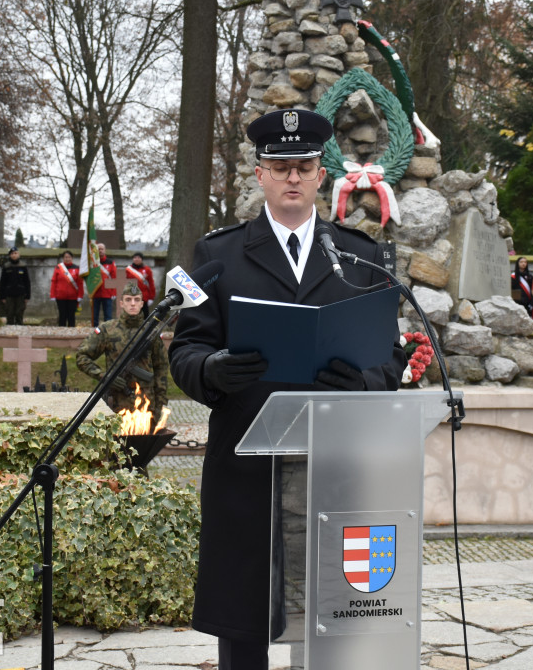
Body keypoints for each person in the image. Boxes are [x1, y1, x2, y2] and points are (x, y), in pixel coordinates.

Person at [168, 108, 406, 670]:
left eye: (303, 166)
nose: (292, 178)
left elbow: (393, 358)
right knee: (246, 618)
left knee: (342, 612)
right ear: (260, 176)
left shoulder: (359, 255)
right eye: (281, 167)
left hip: (339, 462)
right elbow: (185, 351)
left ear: (322, 174)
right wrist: (212, 370)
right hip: (250, 462)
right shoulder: (219, 256)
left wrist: (367, 380)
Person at [76, 282, 168, 420]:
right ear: (121, 303)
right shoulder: (108, 330)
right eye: (128, 300)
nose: (132, 304)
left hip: (145, 404)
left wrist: (160, 405)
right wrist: (104, 377)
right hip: (116, 403)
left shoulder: (151, 332)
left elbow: (161, 368)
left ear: (142, 304)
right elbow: (82, 357)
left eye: (137, 300)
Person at [0, 247, 31, 325]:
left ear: (19, 255)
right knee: (9, 312)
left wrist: (27, 296)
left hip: (21, 294)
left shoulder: (23, 266)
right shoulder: (6, 267)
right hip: (9, 294)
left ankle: (19, 328)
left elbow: (27, 282)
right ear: (10, 255)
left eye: (15, 253)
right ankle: (10, 329)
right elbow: (2, 282)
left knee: (19, 313)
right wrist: (2, 296)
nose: (14, 255)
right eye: (12, 254)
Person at [50, 250, 83, 327]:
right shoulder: (58, 268)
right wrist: (53, 295)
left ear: (72, 258)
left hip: (73, 297)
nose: (67, 259)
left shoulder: (77, 268)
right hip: (60, 297)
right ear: (63, 258)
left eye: (69, 257)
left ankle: (71, 332)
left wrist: (80, 295)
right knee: (62, 315)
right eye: (65, 257)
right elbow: (54, 281)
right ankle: (61, 332)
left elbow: (80, 283)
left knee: (71, 316)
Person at [91, 242, 117, 327]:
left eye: (102, 249)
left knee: (108, 315)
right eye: (98, 249)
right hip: (96, 292)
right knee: (95, 316)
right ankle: (94, 331)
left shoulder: (110, 262)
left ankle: (108, 331)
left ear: (105, 250)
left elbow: (114, 277)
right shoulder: (93, 263)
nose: (100, 251)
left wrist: (113, 292)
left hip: (107, 293)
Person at [126, 251, 155, 316]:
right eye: (135, 257)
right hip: (132, 295)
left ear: (142, 259)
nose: (136, 259)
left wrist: (151, 297)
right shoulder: (128, 270)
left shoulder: (147, 270)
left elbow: (151, 283)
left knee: (144, 315)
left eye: (138, 257)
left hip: (143, 296)